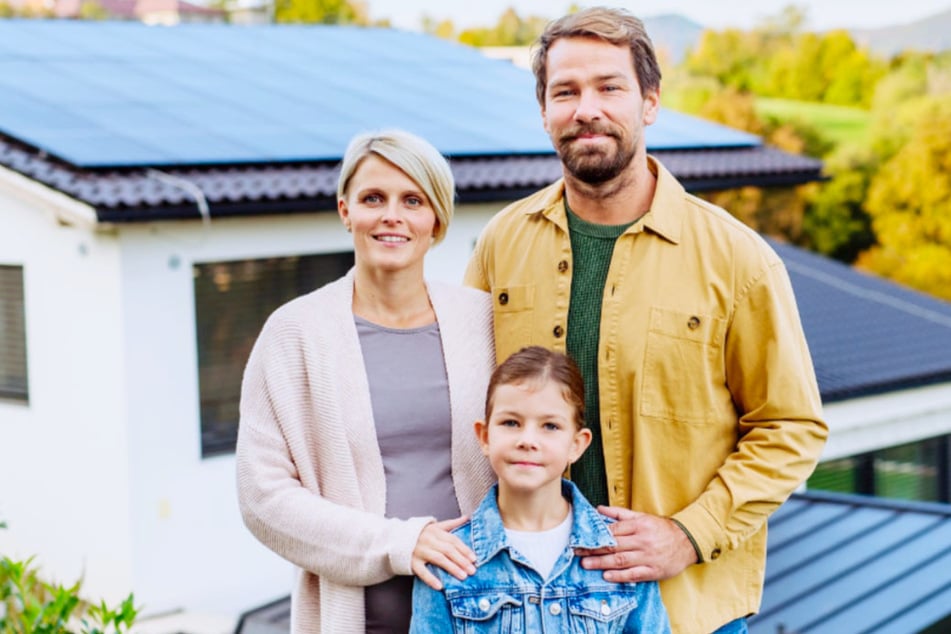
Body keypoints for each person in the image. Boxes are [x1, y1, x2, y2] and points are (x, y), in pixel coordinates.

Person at [464, 7, 829, 633]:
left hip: (685, 610)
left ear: (650, 102)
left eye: (610, 87)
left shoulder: (738, 260)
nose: (587, 109)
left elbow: (790, 428)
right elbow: (464, 400)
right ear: (545, 111)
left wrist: (689, 535)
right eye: (566, 92)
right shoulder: (501, 243)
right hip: (524, 607)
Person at [236, 129, 496, 633]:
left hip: (486, 612)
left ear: (437, 220)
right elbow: (262, 497)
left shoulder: (484, 322)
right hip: (358, 617)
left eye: (412, 200)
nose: (391, 215)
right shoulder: (295, 333)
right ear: (345, 210)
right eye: (373, 198)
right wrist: (400, 544)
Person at [410, 346, 671, 633]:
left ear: (577, 444)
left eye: (549, 426)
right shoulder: (449, 558)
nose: (528, 440)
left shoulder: (622, 552)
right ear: (485, 436)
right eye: (511, 423)